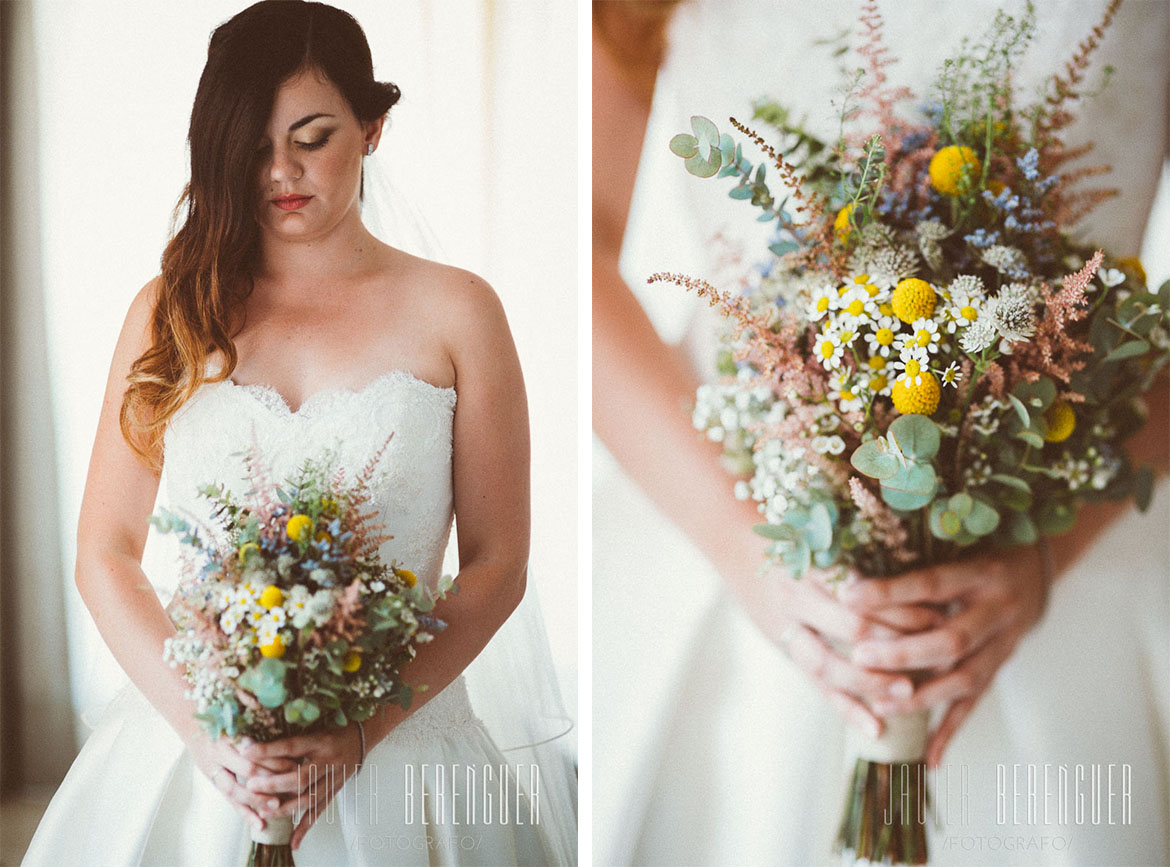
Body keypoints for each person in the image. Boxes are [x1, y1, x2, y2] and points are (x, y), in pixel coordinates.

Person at [593, 1, 1169, 864]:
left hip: (1087, 540)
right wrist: (748, 548)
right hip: (733, 538)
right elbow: (581, 244)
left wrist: (1048, 552)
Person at [23, 2, 574, 864]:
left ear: (373, 126)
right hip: (197, 746)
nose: (280, 170)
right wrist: (210, 733)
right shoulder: (171, 310)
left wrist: (361, 734)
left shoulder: (459, 311)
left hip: (403, 753)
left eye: (313, 136)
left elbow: (498, 562)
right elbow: (106, 546)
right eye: (252, 144)